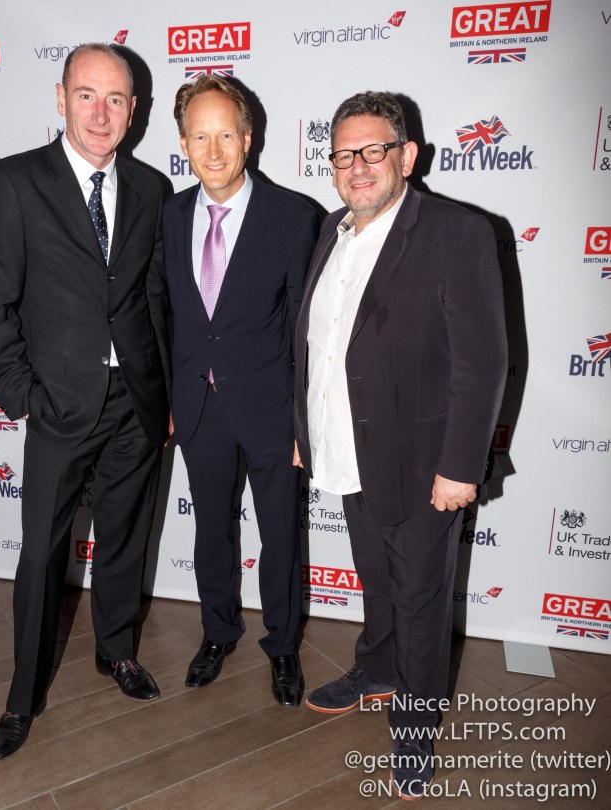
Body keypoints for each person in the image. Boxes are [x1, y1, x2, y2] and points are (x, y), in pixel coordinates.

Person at [293, 91, 507, 798]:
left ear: (406, 156)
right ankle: (375, 668)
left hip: (423, 467)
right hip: (347, 452)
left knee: (419, 601)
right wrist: (306, 433)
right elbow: (320, 347)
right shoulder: (330, 229)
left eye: (373, 150)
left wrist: (457, 467)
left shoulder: (457, 232)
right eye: (343, 154)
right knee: (374, 581)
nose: (357, 166)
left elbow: (482, 363)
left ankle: (413, 731)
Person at [0, 43, 170, 761]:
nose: (100, 113)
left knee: (123, 540)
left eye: (115, 99)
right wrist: (23, 396)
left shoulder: (150, 189)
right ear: (60, 99)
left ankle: (114, 651)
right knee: (40, 556)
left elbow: (152, 300)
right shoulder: (14, 181)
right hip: (57, 403)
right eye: (87, 95)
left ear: (133, 111)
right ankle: (22, 696)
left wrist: (162, 390)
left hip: (135, 405)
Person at [163, 76, 319, 706]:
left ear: (248, 138)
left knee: (280, 534)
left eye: (226, 133)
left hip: (272, 410)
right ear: (183, 144)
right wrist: (169, 397)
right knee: (210, 529)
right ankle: (217, 630)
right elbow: (167, 314)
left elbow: (307, 333)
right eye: (200, 136)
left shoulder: (294, 216)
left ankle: (281, 645)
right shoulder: (170, 216)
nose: (214, 149)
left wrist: (304, 425)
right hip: (198, 406)